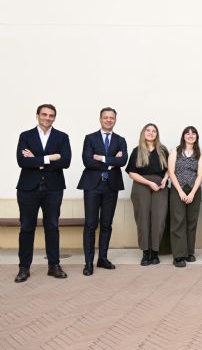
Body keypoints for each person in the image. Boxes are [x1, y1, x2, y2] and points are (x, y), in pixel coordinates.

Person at [14, 104, 72, 283]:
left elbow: (66, 161)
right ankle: (24, 268)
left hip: (53, 189)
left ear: (55, 118)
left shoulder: (62, 137)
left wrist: (36, 159)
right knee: (26, 228)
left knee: (52, 226)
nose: (48, 118)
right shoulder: (26, 136)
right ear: (37, 115)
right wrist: (49, 158)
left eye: (51, 115)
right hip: (28, 189)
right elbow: (22, 161)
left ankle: (54, 265)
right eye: (44, 114)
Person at [77, 107, 128, 276]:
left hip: (111, 186)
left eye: (111, 118)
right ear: (100, 119)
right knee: (90, 224)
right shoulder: (90, 138)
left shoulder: (120, 140)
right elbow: (87, 161)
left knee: (106, 224)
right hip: (92, 186)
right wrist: (112, 162)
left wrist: (101, 158)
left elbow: (123, 161)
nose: (108, 120)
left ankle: (103, 258)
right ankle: (88, 262)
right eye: (105, 117)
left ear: (115, 120)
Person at [126, 123, 169, 266]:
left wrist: (165, 179)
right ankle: (145, 253)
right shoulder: (137, 151)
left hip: (160, 186)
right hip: (141, 185)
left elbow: (170, 168)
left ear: (157, 134)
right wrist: (149, 183)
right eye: (148, 130)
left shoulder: (163, 150)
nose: (151, 133)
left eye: (154, 131)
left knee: (159, 220)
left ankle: (155, 252)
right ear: (143, 133)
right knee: (143, 219)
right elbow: (131, 173)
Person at [168, 126, 202, 267]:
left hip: (194, 190)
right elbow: (171, 173)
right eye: (187, 133)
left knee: (191, 222)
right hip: (178, 190)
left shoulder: (199, 153)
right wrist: (181, 192)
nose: (190, 135)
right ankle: (178, 255)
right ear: (183, 136)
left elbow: (200, 174)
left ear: (196, 136)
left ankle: (189, 252)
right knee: (178, 222)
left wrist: (193, 192)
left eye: (193, 133)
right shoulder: (175, 151)